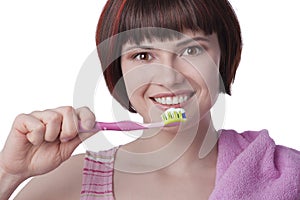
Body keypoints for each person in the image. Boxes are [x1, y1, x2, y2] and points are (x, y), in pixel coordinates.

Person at [0, 0, 299, 200]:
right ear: (119, 71)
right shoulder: (67, 182)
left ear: (224, 58)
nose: (169, 77)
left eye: (192, 51)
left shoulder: (286, 173)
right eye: (143, 55)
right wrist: (8, 175)